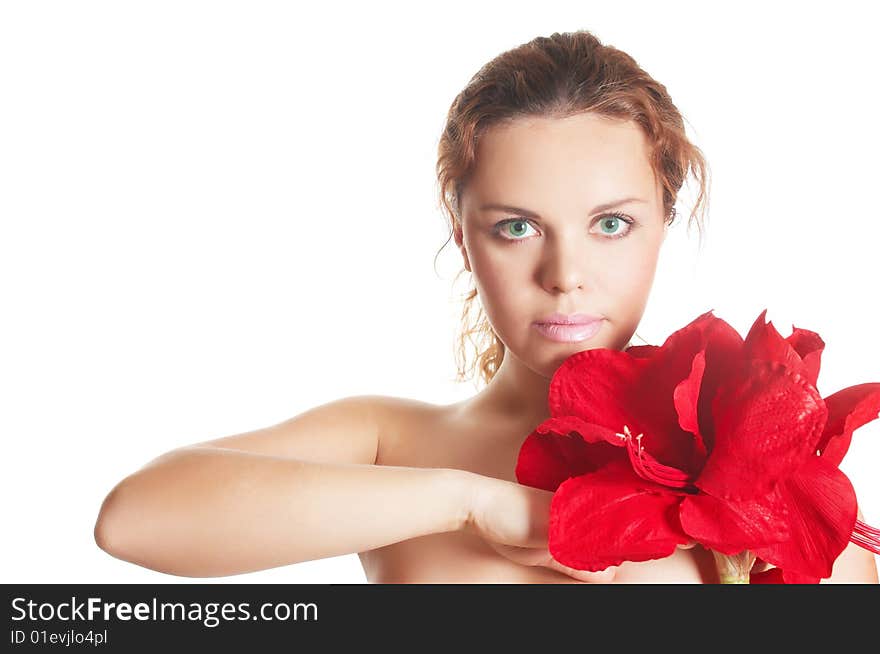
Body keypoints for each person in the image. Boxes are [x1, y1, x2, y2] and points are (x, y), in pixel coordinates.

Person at [93, 30, 878, 583]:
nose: (565, 274)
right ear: (463, 236)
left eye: (611, 224)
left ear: (663, 224)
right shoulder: (393, 441)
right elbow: (133, 520)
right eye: (516, 227)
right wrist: (471, 504)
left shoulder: (743, 452)